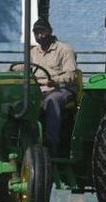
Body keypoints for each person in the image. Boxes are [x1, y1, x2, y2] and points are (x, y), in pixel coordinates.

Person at [30, 17, 78, 155]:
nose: (39, 35)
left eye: (42, 31)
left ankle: (52, 145)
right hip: (38, 90)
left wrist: (55, 81)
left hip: (61, 89)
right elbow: (25, 67)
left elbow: (72, 76)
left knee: (52, 100)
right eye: (36, 32)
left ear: (50, 31)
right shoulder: (33, 52)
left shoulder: (64, 50)